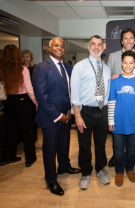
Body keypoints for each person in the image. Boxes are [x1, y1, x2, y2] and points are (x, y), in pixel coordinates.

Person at [33, 37, 81, 196]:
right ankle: (51, 180)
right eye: (56, 45)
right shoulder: (41, 68)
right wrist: (57, 115)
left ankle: (64, 166)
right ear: (49, 48)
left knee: (64, 144)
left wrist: (69, 111)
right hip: (50, 117)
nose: (59, 48)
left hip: (66, 115)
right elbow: (41, 96)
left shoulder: (68, 68)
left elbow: (70, 91)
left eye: (62, 46)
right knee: (49, 149)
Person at [71, 35, 111, 190]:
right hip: (85, 111)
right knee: (84, 145)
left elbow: (107, 91)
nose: (96, 47)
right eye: (93, 44)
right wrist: (78, 116)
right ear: (88, 46)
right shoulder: (79, 67)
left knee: (101, 143)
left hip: (102, 110)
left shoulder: (106, 68)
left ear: (103, 47)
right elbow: (74, 94)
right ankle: (86, 172)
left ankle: (100, 169)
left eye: (99, 44)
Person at [0, 44, 38, 167]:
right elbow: (29, 89)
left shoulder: (1, 69)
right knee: (27, 131)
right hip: (23, 101)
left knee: (10, 130)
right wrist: (36, 102)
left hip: (8, 102)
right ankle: (30, 158)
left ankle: (5, 158)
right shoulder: (23, 69)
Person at [107, 28, 135, 168]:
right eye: (125, 38)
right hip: (119, 105)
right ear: (121, 41)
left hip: (134, 106)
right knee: (117, 139)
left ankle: (133, 156)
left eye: (131, 38)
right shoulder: (112, 56)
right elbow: (108, 77)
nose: (128, 41)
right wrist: (111, 78)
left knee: (133, 138)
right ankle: (116, 156)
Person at [21, 50, 37, 140]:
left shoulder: (35, 69)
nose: (25, 59)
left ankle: (33, 137)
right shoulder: (18, 69)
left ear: (31, 58)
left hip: (32, 97)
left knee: (32, 118)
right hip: (22, 97)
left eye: (27, 57)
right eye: (23, 57)